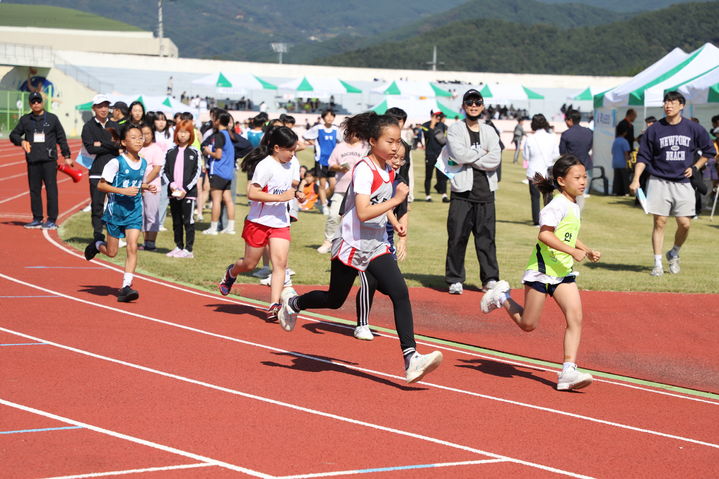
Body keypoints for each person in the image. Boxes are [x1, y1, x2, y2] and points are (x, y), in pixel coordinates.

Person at [273, 112, 443, 384]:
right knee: (335, 299)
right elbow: (363, 212)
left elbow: (380, 201)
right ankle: (293, 303)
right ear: (373, 141)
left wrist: (394, 220)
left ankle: (411, 358)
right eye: (390, 141)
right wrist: (397, 200)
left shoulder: (389, 168)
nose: (395, 147)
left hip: (375, 243)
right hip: (351, 242)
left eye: (398, 142)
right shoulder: (363, 169)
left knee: (400, 292)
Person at [481, 155, 600, 391]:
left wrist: (585, 250)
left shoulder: (573, 205)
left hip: (563, 272)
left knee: (575, 318)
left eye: (584, 177)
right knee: (528, 325)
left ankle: (568, 370)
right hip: (542, 272)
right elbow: (545, 235)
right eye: (577, 177)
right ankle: (501, 297)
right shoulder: (555, 205)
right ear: (561, 181)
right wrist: (571, 251)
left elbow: (567, 234)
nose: (583, 181)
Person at [218, 126, 303, 321]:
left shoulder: (293, 163)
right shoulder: (265, 166)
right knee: (250, 263)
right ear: (276, 148)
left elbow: (291, 186)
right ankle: (232, 272)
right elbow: (252, 193)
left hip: (280, 222)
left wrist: (297, 194)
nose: (292, 153)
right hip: (258, 222)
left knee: (280, 264)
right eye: (289, 149)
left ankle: (274, 305)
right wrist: (281, 197)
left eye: (294, 149)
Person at [629, 91, 716, 276]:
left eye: (673, 102)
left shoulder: (693, 128)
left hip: (683, 181)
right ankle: (657, 264)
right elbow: (643, 156)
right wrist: (636, 179)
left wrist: (695, 167)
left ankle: (674, 252)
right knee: (659, 222)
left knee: (685, 223)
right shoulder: (654, 129)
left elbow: (709, 151)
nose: (668, 105)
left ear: (681, 105)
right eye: (666, 102)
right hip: (659, 179)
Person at [83, 126, 157, 302]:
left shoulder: (144, 163)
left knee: (132, 246)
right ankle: (97, 244)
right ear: (124, 142)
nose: (139, 141)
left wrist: (146, 186)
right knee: (112, 252)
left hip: (134, 211)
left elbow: (136, 184)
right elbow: (101, 185)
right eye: (134, 138)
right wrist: (122, 191)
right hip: (116, 212)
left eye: (140, 137)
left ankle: (126, 286)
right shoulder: (116, 162)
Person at [444, 89, 502, 295]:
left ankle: (490, 278)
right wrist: (481, 154)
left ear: (483, 106)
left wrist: (471, 157)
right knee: (457, 237)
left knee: (486, 238)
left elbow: (495, 157)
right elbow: (458, 154)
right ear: (464, 106)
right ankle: (455, 278)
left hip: (485, 192)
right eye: (470, 102)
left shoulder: (489, 131)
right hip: (462, 192)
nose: (474, 106)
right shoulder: (455, 130)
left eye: (477, 102)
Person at [354, 141, 410, 341]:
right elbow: (373, 204)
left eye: (402, 159)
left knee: (390, 287)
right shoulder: (370, 173)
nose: (397, 161)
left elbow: (401, 210)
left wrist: (401, 236)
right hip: (364, 237)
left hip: (386, 238)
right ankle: (362, 324)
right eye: (395, 157)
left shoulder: (400, 181)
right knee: (369, 280)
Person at [10, 91, 72, 230]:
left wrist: (66, 156)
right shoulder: (25, 120)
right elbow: (13, 134)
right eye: (33, 102)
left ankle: (51, 219)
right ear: (30, 104)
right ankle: (37, 218)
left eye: (38, 101)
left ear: (43, 103)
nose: (36, 104)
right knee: (34, 191)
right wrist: (21, 141)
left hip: (49, 161)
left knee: (51, 190)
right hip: (33, 161)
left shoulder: (52, 119)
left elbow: (61, 138)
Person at [316, 128, 366, 253]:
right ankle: (328, 242)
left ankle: (352, 244)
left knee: (357, 219)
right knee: (334, 215)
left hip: (359, 189)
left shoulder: (365, 146)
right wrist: (339, 167)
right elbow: (330, 164)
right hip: (341, 188)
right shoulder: (340, 147)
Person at [81, 94, 121, 242]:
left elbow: (118, 145)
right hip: (96, 171)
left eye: (106, 106)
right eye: (100, 106)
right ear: (94, 108)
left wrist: (101, 143)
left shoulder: (114, 125)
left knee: (115, 204)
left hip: (114, 170)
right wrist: (109, 145)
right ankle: (98, 235)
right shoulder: (88, 126)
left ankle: (115, 235)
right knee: (97, 205)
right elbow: (90, 148)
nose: (104, 109)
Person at [163, 120, 201, 258]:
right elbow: (164, 170)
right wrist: (172, 185)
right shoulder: (170, 151)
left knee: (188, 220)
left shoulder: (195, 152)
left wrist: (185, 188)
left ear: (190, 134)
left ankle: (188, 249)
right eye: (180, 132)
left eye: (186, 132)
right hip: (173, 192)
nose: (183, 135)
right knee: (176, 221)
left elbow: (197, 172)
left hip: (188, 193)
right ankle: (178, 246)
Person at [201, 112, 236, 235]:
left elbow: (218, 155)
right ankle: (230, 227)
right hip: (227, 172)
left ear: (218, 122)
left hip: (218, 171)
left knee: (216, 200)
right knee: (228, 200)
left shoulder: (220, 135)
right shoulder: (229, 135)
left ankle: (213, 228)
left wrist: (208, 151)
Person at [303, 109, 341, 215]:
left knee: (334, 185)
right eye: (327, 116)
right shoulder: (318, 128)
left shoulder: (336, 129)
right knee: (322, 184)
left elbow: (341, 141)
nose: (330, 118)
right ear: (323, 117)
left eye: (332, 116)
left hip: (333, 161)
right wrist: (314, 143)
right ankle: (324, 206)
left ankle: (320, 200)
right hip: (321, 160)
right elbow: (306, 135)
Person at [524, 113, 560, 225]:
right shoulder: (552, 137)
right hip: (548, 170)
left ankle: (536, 221)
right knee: (548, 197)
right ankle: (549, 221)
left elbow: (526, 156)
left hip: (533, 172)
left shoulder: (530, 139)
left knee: (535, 198)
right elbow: (556, 155)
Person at [137, 122, 164, 251]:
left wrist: (145, 183)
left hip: (152, 186)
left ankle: (151, 242)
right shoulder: (137, 148)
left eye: (148, 133)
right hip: (139, 187)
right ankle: (145, 241)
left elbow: (156, 168)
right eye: (143, 134)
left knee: (151, 214)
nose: (145, 136)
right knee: (141, 215)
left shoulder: (156, 148)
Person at [559, 109, 593, 189]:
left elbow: (562, 152)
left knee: (571, 195)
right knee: (583, 193)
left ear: (570, 120)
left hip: (571, 167)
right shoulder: (589, 132)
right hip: (586, 165)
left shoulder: (566, 134)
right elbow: (589, 147)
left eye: (566, 120)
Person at [421, 111, 448, 202]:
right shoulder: (425, 125)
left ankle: (444, 195)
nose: (438, 117)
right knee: (428, 176)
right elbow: (427, 135)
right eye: (436, 115)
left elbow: (444, 139)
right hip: (430, 154)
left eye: (439, 116)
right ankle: (428, 196)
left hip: (440, 154)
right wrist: (432, 125)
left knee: (442, 176)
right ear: (432, 115)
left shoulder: (442, 125)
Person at [611, 123, 632, 196]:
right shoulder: (624, 141)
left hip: (615, 162)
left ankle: (614, 192)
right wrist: (628, 161)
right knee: (625, 178)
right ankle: (626, 192)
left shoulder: (615, 141)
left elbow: (612, 152)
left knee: (616, 179)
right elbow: (626, 153)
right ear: (625, 132)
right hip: (622, 163)